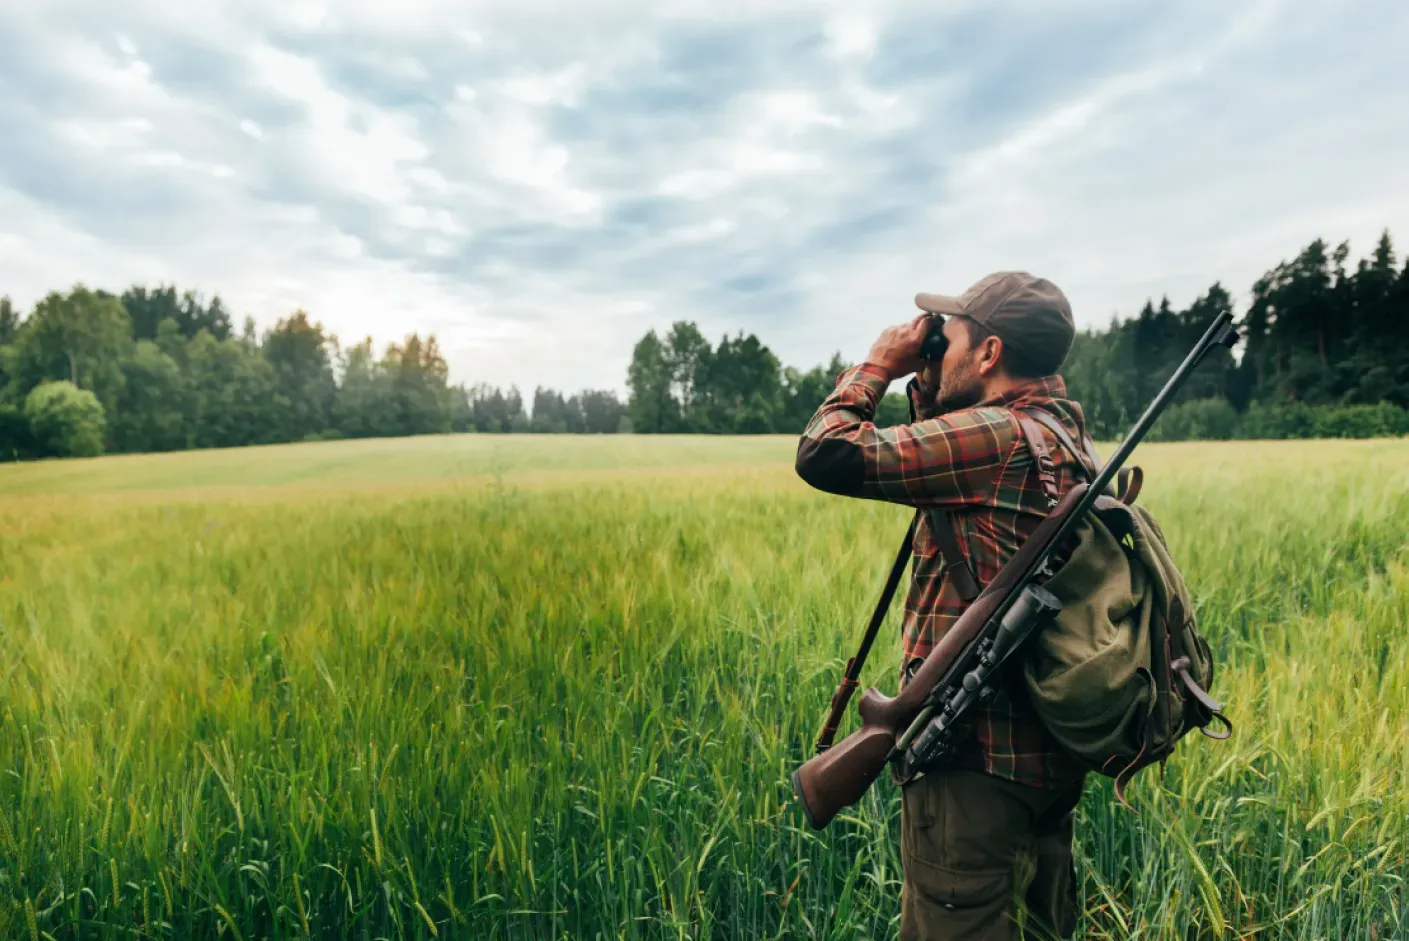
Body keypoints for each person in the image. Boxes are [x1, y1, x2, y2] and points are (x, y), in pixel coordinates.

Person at [794, 271, 1094, 940]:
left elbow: (824, 449)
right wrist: (931, 382)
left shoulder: (994, 437)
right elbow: (943, 477)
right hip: (1044, 759)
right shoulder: (1064, 438)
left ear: (988, 354)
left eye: (948, 336)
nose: (934, 345)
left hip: (969, 770)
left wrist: (876, 366)